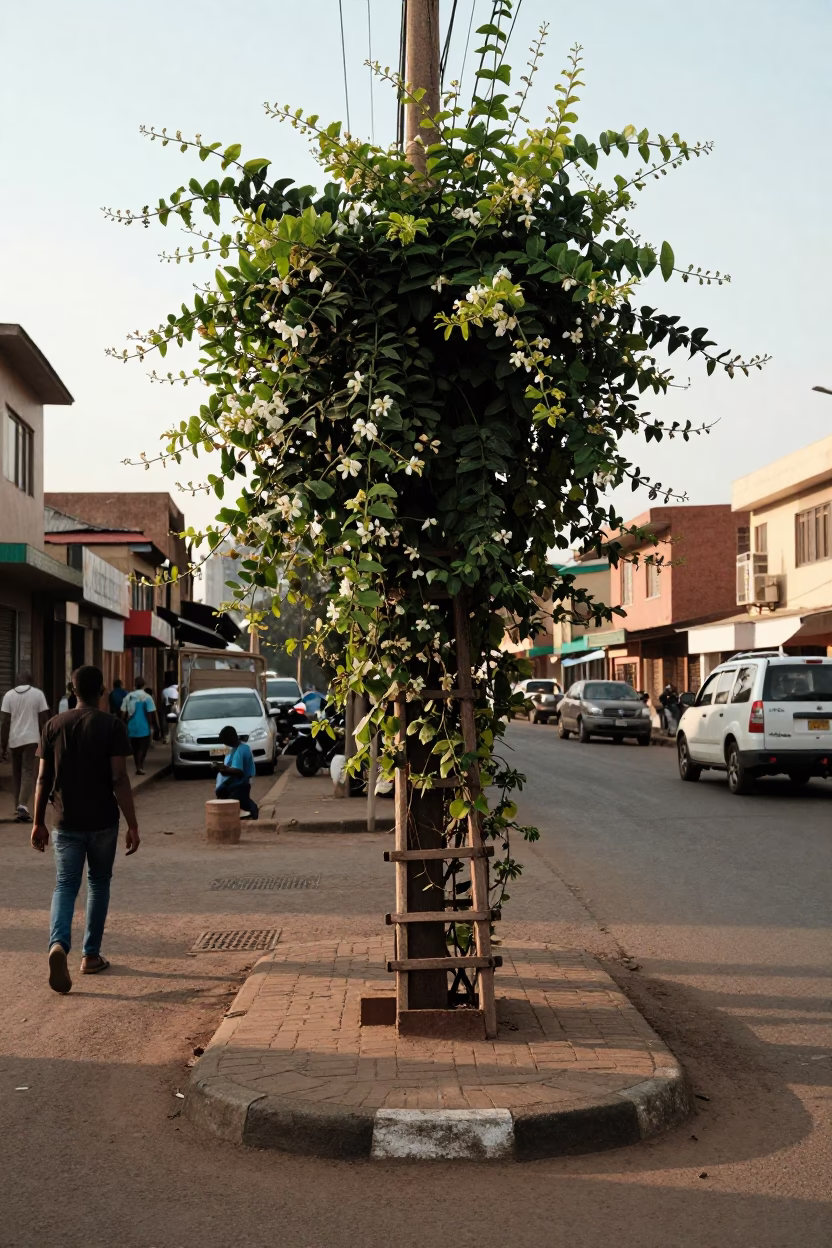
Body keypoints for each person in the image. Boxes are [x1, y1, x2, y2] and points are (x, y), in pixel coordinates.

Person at [31, 664, 140, 994]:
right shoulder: (112, 726)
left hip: (64, 821)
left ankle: (58, 944)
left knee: (65, 885)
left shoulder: (53, 725)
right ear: (102, 691)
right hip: (103, 821)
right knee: (98, 882)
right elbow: (120, 778)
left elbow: (42, 779)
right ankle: (90, 956)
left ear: (72, 691)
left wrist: (37, 821)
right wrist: (133, 824)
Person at [1, 671, 50, 822]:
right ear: (31, 681)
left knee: (17, 774)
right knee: (28, 772)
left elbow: (5, 722)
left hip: (14, 740)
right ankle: (22, 805)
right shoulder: (38, 694)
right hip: (31, 739)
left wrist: (3, 745)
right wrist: (48, 738)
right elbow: (44, 719)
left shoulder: (8, 695)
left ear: (17, 681)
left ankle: (19, 807)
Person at [213, 725, 258, 820]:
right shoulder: (238, 749)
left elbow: (238, 771)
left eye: (225, 740)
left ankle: (252, 812)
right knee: (240, 800)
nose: (225, 743)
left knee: (240, 802)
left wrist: (224, 769)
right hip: (239, 781)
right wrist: (223, 768)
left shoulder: (240, 750)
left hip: (241, 782)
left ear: (231, 738)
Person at [121, 676, 158, 775]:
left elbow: (123, 713)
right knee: (143, 748)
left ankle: (139, 766)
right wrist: (151, 726)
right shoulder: (147, 697)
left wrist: (124, 724)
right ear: (143, 685)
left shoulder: (128, 697)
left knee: (135, 748)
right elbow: (150, 713)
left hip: (131, 727)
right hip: (144, 727)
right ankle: (139, 766)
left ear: (134, 685)